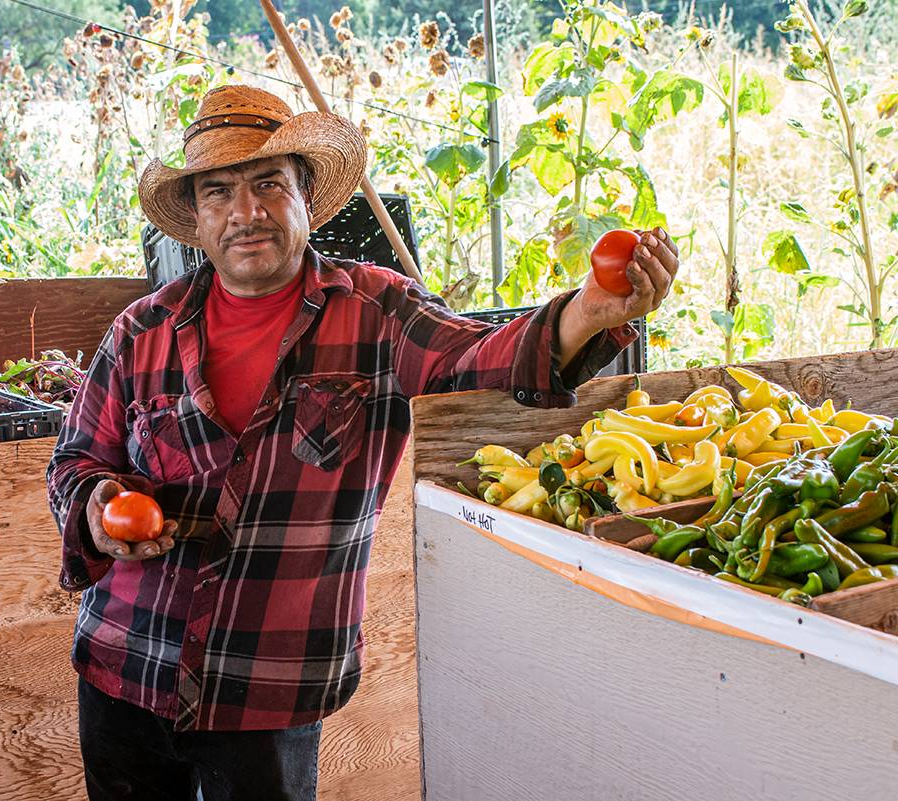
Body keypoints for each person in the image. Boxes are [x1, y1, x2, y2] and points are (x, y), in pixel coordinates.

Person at [47, 84, 680, 801]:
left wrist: (589, 311)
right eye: (219, 192)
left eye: (268, 185)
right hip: (126, 666)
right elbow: (76, 459)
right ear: (195, 216)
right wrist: (98, 502)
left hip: (268, 682)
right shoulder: (142, 329)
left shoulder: (376, 312)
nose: (246, 212)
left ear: (306, 196)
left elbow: (484, 359)